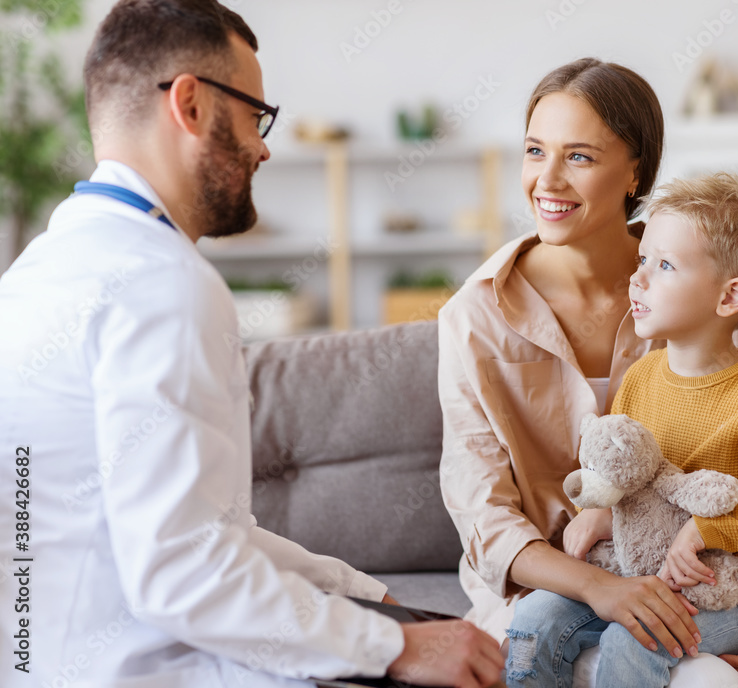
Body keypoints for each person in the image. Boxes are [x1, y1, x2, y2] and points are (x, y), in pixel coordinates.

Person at [0, 2, 501, 687]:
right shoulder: (163, 283)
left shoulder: (36, 273)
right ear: (192, 105)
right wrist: (397, 646)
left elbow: (194, 532)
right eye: (254, 114)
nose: (265, 146)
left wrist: (361, 593)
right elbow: (183, 571)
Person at [437, 57, 738, 687]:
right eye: (535, 150)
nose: (547, 179)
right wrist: (601, 588)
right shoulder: (474, 317)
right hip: (563, 591)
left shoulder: (701, 292)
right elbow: (484, 516)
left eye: (580, 157)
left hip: (714, 577)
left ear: (636, 172)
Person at [504, 172, 738, 687]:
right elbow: (632, 470)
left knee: (633, 639)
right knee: (531, 622)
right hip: (653, 565)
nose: (637, 279)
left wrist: (713, 529)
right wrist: (598, 510)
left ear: (730, 297)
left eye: (664, 266)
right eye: (644, 260)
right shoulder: (642, 377)